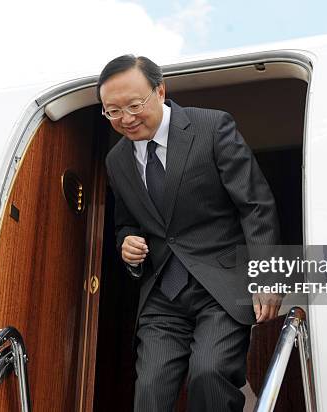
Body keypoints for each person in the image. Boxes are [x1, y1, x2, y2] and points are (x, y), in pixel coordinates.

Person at [98, 54, 282, 412]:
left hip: (221, 285)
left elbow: (256, 204)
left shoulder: (212, 127)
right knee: (149, 392)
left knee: (209, 375)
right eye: (113, 111)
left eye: (134, 105)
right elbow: (127, 223)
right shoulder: (116, 161)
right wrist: (127, 243)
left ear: (160, 91)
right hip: (163, 296)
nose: (126, 118)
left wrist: (268, 276)